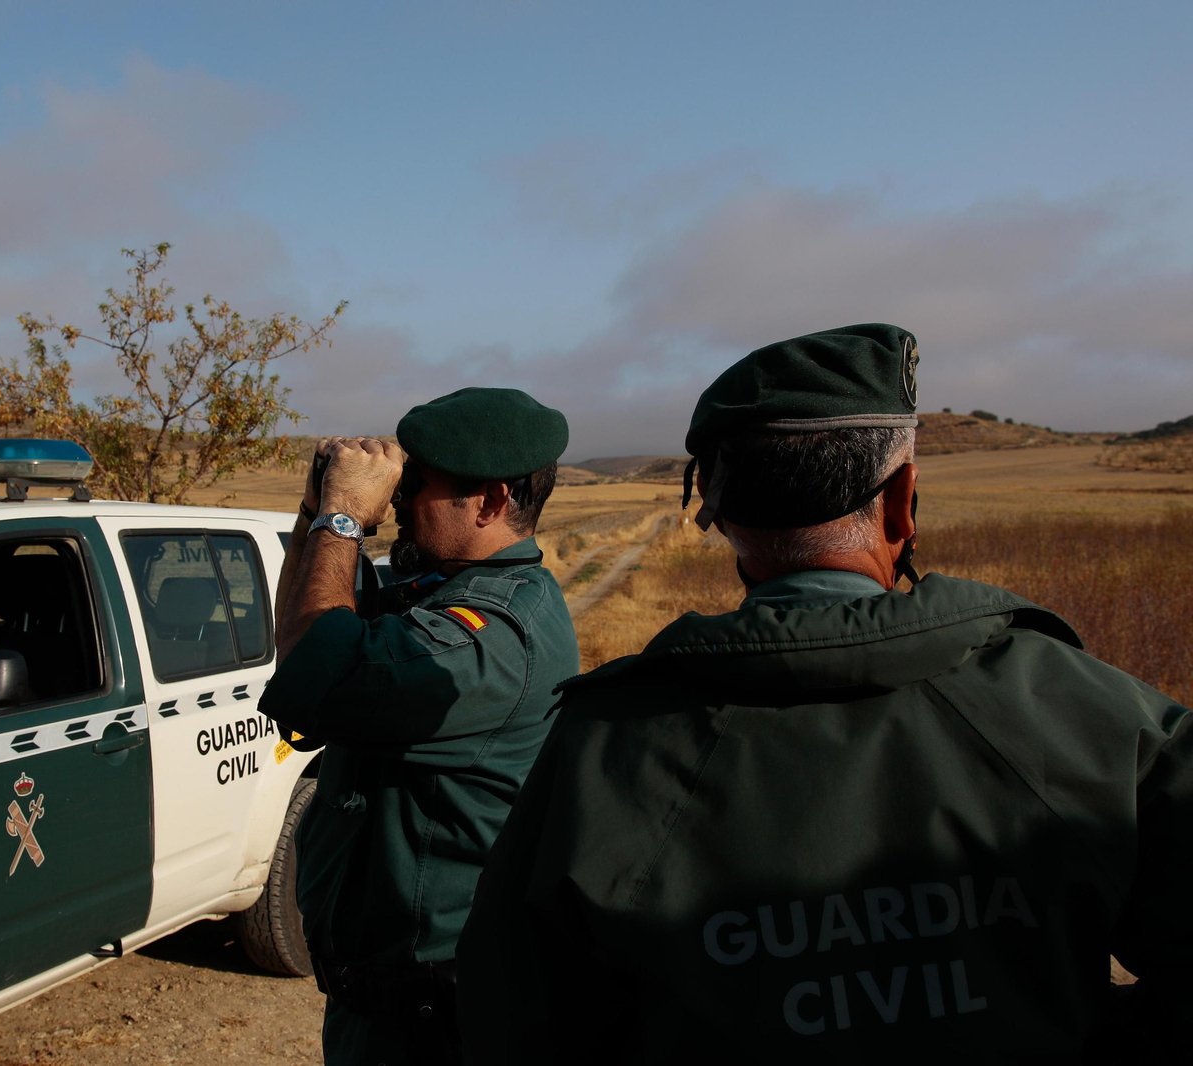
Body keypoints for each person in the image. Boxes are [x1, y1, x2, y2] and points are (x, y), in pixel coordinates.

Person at [457, 324, 1193, 1062]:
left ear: (721, 512)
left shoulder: (602, 747)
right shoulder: (1078, 706)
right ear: (903, 501)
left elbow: (511, 1022)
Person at [259, 387, 580, 1066]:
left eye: (417, 486)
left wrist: (345, 518)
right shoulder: (446, 591)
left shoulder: (488, 636)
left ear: (490, 502)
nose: (397, 502)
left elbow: (310, 681)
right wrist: (316, 513)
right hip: (385, 1009)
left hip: (438, 1025)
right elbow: (309, 629)